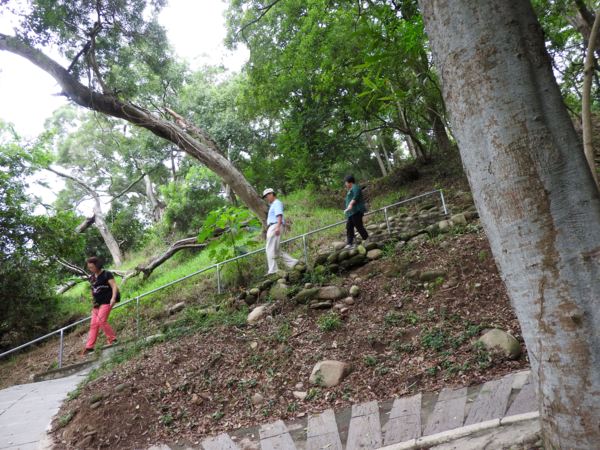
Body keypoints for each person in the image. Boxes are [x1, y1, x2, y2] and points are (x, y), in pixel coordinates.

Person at [82, 256, 118, 355]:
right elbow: (93, 289)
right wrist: (92, 299)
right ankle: (89, 347)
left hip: (106, 301)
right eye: (89, 267)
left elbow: (114, 286)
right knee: (93, 324)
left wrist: (113, 298)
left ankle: (112, 339)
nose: (90, 269)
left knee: (101, 321)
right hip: (96, 303)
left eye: (92, 267)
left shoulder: (107, 274)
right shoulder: (92, 277)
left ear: (97, 265)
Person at [262, 188, 298, 274]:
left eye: (266, 196)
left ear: (271, 194)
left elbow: (279, 215)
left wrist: (277, 227)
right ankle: (293, 262)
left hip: (275, 226)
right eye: (265, 197)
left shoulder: (276, 203)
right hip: (274, 226)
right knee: (277, 251)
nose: (266, 198)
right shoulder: (273, 204)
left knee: (269, 248)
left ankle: (273, 270)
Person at [343, 175, 369, 249]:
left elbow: (356, 196)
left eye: (346, 182)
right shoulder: (350, 189)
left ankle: (366, 239)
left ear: (349, 182)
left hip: (356, 211)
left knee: (358, 226)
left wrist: (350, 204)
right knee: (349, 227)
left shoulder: (355, 187)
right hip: (351, 213)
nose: (345, 184)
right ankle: (349, 243)